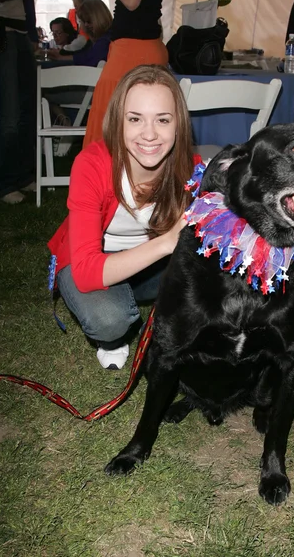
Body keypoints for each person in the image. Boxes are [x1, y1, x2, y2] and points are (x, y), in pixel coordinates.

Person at [48, 65, 202, 370]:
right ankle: (117, 327)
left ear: (178, 125)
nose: (149, 134)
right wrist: (166, 243)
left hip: (148, 266)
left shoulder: (191, 170)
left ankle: (128, 295)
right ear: (119, 122)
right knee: (109, 320)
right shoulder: (91, 164)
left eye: (162, 119)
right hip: (89, 260)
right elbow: (87, 273)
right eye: (135, 119)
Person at [82, 0, 182, 148]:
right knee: (145, 134)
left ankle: (100, 178)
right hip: (147, 47)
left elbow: (131, 0)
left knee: (107, 132)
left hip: (132, 52)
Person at [0, 0, 38, 204]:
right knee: (8, 112)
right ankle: (3, 183)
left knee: (27, 108)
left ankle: (22, 175)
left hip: (22, 32)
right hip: (2, 32)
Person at [48, 0, 112, 66]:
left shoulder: (105, 40)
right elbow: (83, 55)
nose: (86, 25)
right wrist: (61, 57)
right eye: (83, 21)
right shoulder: (96, 40)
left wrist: (61, 56)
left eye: (88, 21)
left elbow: (89, 59)